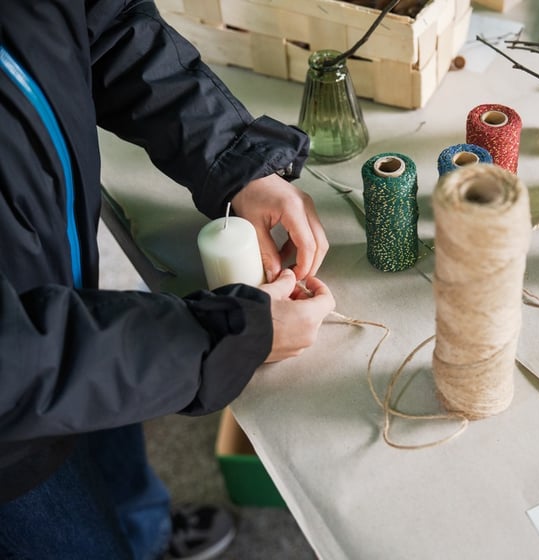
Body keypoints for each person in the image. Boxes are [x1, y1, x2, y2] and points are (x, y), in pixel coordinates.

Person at [0, 1, 335, 559]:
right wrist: (223, 335)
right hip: (10, 456)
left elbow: (106, 23)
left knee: (115, 452)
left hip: (71, 304)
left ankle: (148, 535)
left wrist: (235, 159)